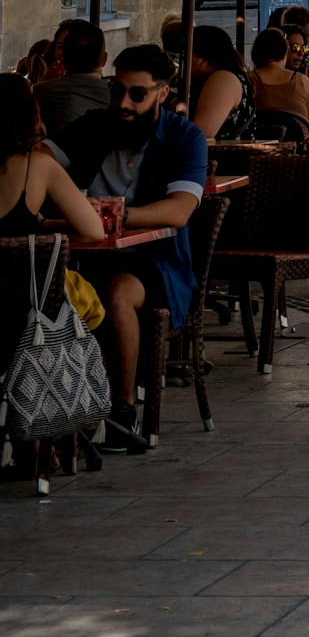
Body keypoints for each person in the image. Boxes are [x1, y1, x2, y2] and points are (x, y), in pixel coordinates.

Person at [58, 42, 208, 454]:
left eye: (137, 94)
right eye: (116, 89)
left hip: (155, 261)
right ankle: (57, 404)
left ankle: (122, 408)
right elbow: (43, 160)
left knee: (118, 291)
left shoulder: (184, 139)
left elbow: (179, 211)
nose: (123, 102)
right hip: (85, 255)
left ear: (162, 93)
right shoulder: (93, 125)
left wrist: (110, 214)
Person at [0, 69, 106, 248]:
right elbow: (93, 232)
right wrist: (78, 212)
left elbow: (31, 223)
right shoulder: (38, 166)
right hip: (23, 275)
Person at [33, 18, 110, 137]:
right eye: (59, 47)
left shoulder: (41, 91)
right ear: (104, 59)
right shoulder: (118, 94)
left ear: (65, 58)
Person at [250, 27, 309, 137]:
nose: (300, 53)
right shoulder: (304, 81)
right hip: (299, 151)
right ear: (284, 52)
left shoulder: (247, 80)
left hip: (259, 151)